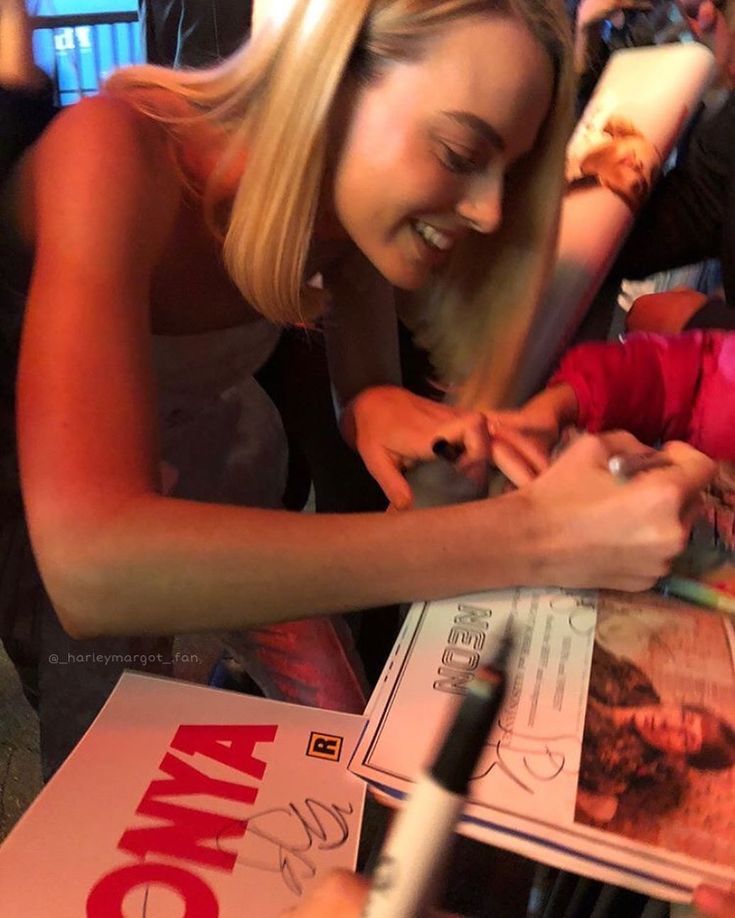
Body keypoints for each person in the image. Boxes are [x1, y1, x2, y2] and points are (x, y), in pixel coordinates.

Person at [1, 0, 714, 780]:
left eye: (504, 171)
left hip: (224, 463)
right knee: (98, 758)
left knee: (342, 733)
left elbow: (364, 383)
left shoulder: (338, 217)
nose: (487, 211)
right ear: (326, 81)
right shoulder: (111, 153)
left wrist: (374, 406)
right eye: (457, 151)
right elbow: (91, 565)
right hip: (39, 517)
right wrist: (532, 536)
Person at [576, 643, 735, 825]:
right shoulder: (636, 683)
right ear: (677, 705)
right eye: (684, 717)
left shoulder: (614, 766)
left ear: (679, 757)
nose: (670, 724)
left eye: (685, 739)